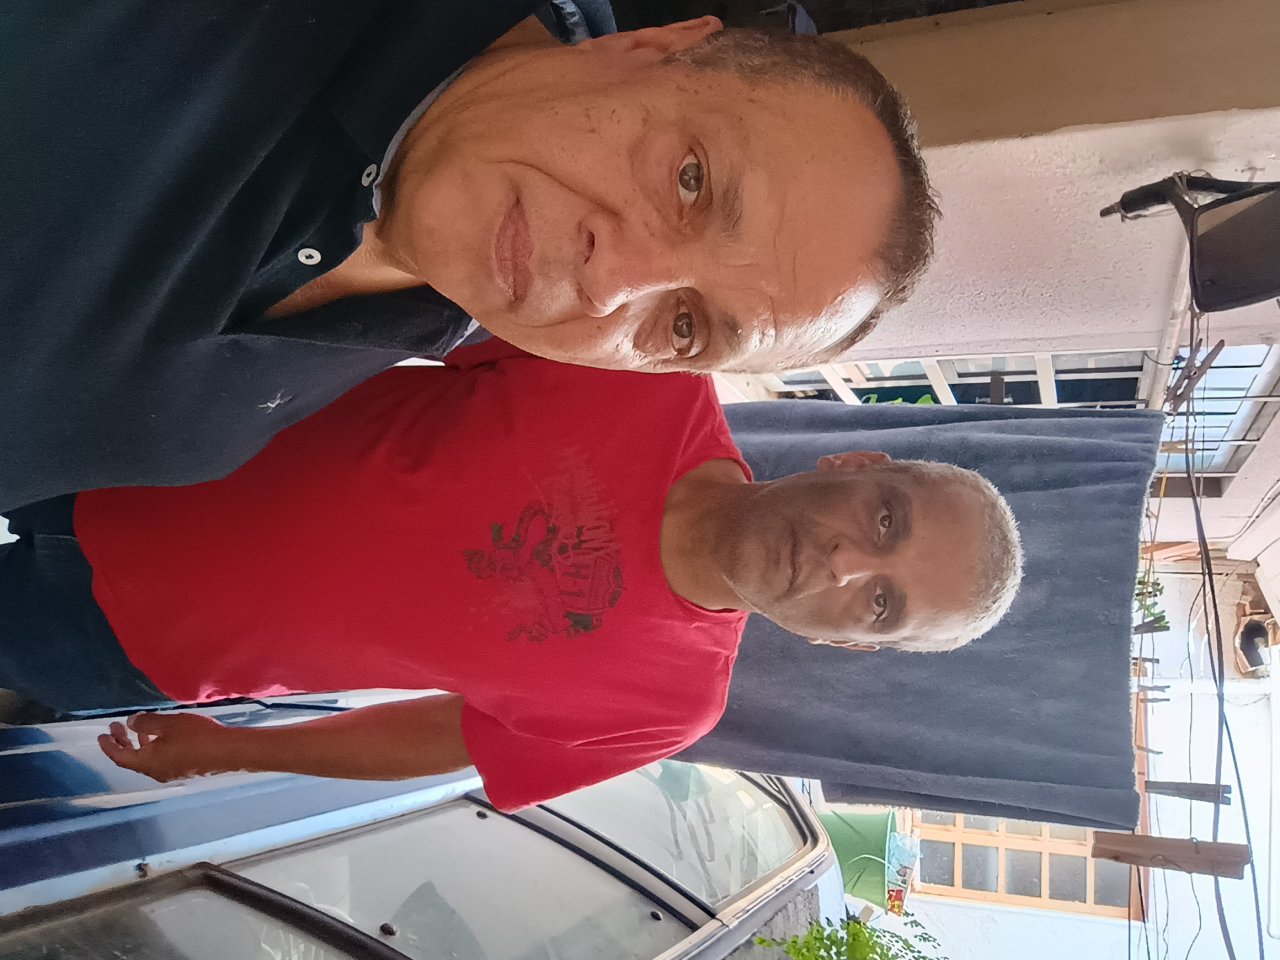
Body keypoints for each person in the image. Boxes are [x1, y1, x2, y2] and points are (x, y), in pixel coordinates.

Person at [2, 6, 937, 512]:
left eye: (685, 326)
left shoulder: (414, 328)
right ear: (658, 46)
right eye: (690, 180)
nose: (612, 284)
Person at [0, 347, 1019, 811]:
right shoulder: (640, 369)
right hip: (134, 443)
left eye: (879, 602)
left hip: (127, 640)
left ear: (841, 640)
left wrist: (232, 752)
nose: (845, 561)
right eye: (884, 520)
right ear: (854, 462)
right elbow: (395, 322)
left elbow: (443, 740)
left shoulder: (667, 711)